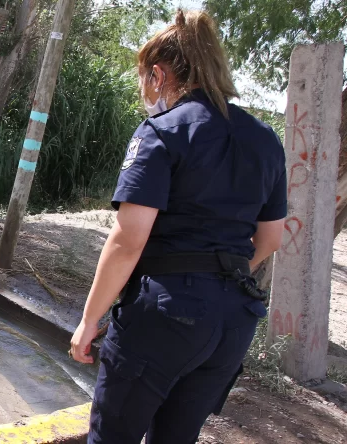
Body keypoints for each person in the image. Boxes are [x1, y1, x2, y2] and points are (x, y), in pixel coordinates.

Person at [69, 9, 287, 444]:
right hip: (234, 319)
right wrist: (218, 277)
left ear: (158, 73)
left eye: (144, 80)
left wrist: (89, 320)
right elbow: (271, 237)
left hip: (167, 311)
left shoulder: (162, 131)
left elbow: (128, 239)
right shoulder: (265, 139)